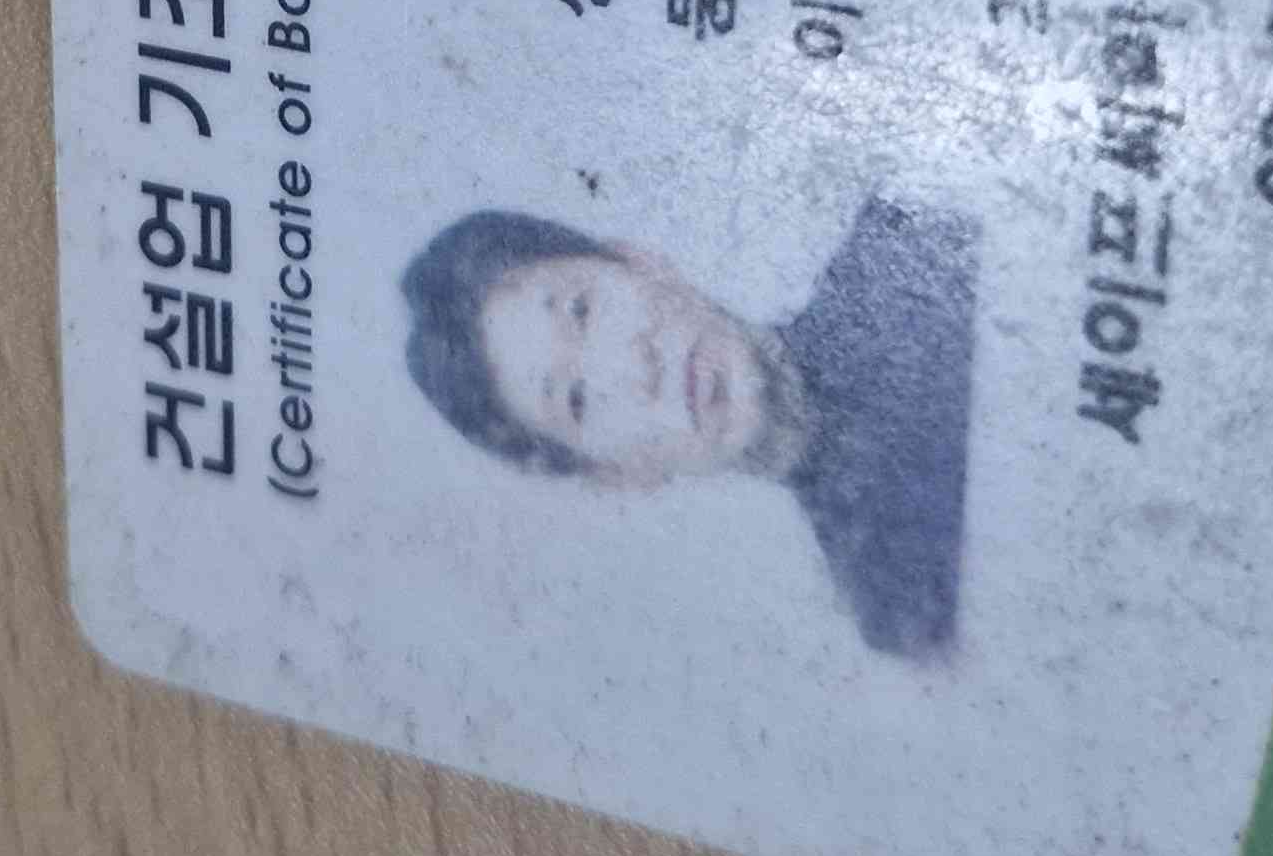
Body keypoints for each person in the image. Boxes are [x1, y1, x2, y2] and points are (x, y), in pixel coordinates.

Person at [399, 198, 978, 658]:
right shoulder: (899, 611)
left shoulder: (920, 240)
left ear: (641, 261)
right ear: (616, 476)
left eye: (583, 310)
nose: (636, 368)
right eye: (576, 400)